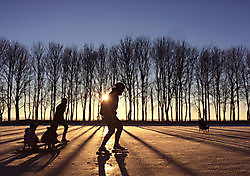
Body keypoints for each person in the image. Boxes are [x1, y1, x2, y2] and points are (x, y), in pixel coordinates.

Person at [98, 82, 126, 152]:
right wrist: (106, 115)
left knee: (118, 127)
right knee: (113, 129)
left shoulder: (114, 95)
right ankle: (102, 146)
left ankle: (115, 145)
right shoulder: (113, 95)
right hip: (109, 116)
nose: (122, 91)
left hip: (111, 115)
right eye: (122, 89)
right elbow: (105, 104)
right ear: (119, 89)